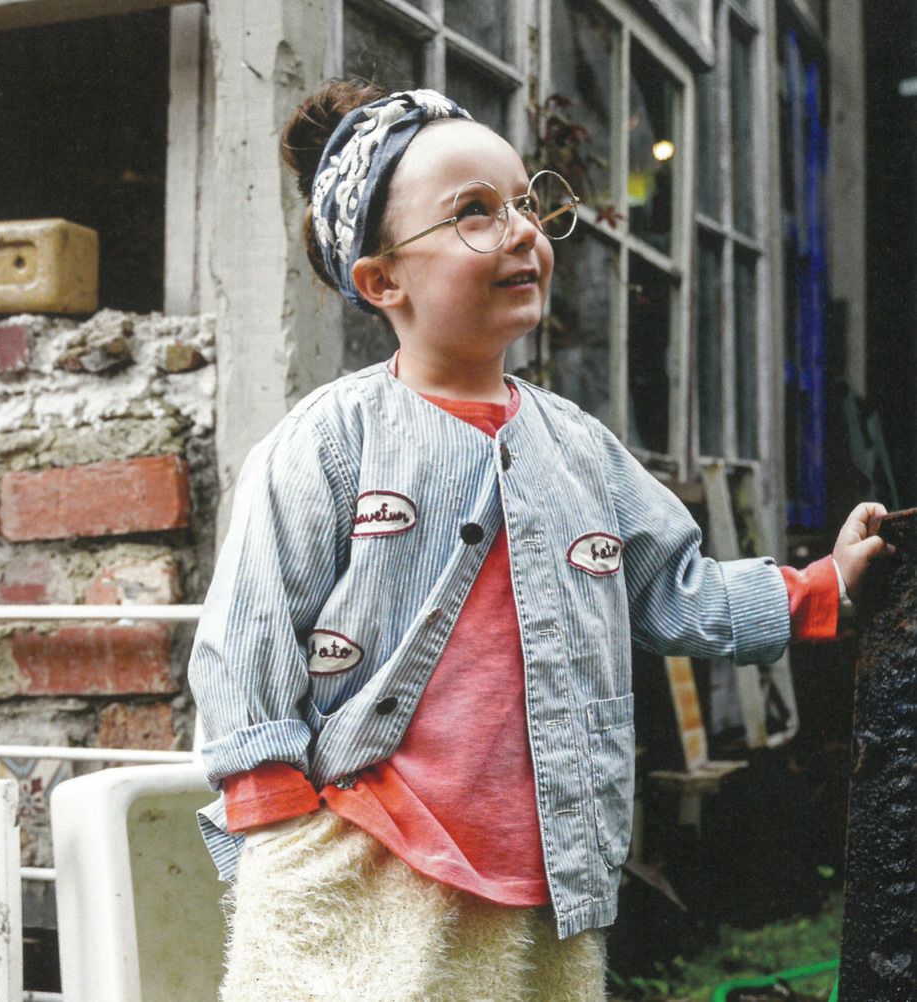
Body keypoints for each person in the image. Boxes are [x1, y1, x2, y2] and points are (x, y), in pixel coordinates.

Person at [188, 81, 888, 1001]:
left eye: (527, 202)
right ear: (382, 280)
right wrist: (284, 835)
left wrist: (824, 584)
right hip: (370, 859)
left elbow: (674, 588)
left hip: (547, 860)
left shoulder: (581, 450)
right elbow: (248, 636)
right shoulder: (328, 442)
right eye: (475, 213)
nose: (522, 231)